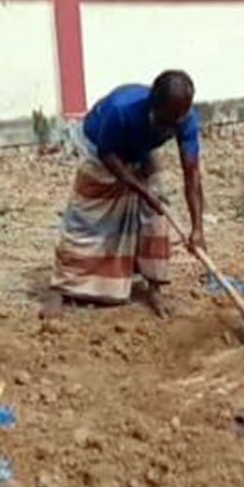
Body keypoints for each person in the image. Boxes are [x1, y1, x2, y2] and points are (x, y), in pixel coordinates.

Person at [41, 70, 206, 320]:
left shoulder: (184, 119)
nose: (172, 130)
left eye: (177, 122)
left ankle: (154, 286)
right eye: (166, 122)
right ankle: (62, 286)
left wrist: (197, 229)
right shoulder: (121, 110)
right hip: (100, 146)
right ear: (153, 107)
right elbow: (108, 154)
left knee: (158, 209)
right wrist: (140, 189)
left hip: (140, 149)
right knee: (86, 216)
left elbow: (191, 175)